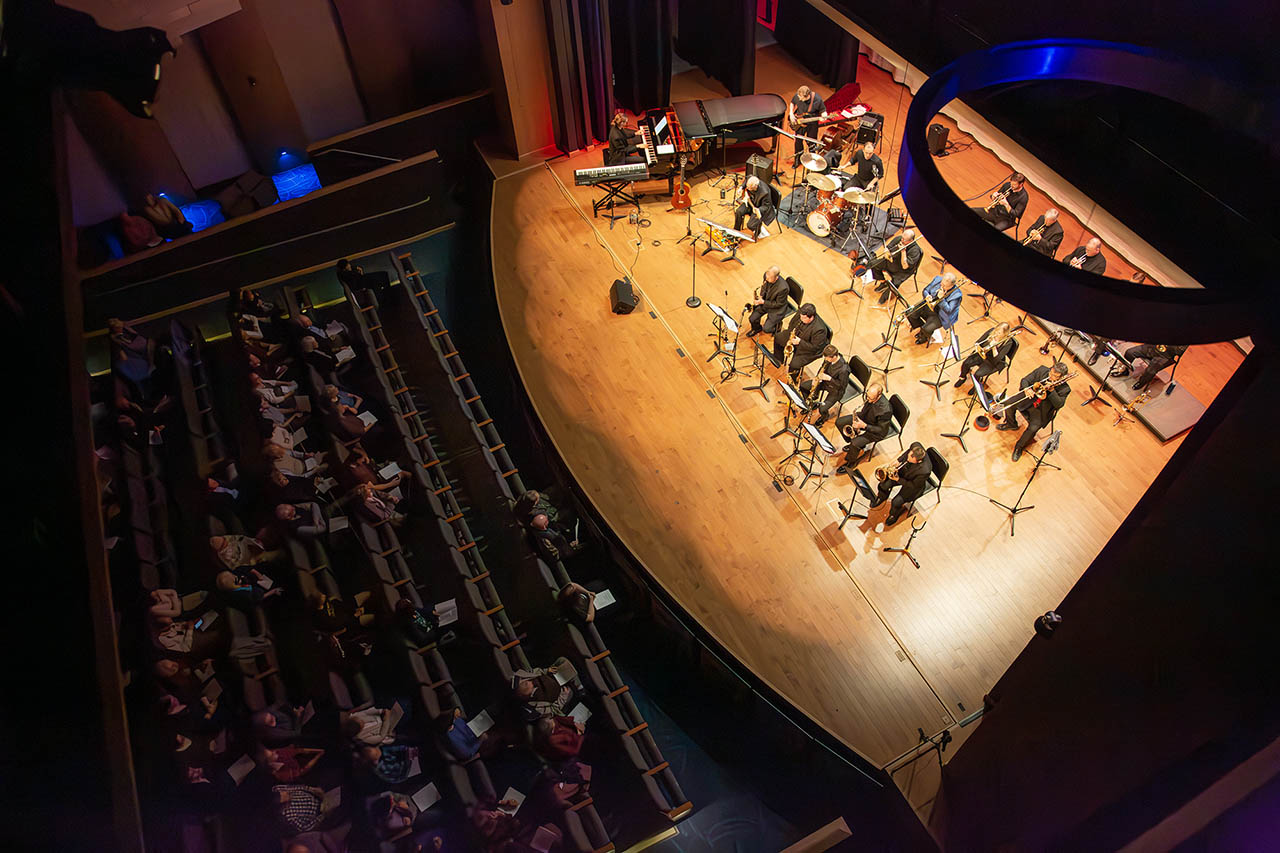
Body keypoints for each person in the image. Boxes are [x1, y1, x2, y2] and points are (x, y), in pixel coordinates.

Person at [998, 361, 1071, 461]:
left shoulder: (1065, 389)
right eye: (1051, 372)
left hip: (1042, 410)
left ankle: (1019, 447)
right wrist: (1027, 389)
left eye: (1055, 376)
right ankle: (1011, 424)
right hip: (1030, 398)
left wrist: (1052, 391)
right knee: (1008, 403)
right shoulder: (1042, 370)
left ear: (1061, 377)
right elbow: (1025, 380)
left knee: (1033, 429)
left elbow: (1059, 404)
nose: (1051, 376)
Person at [871, 442, 933, 527]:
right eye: (909, 455)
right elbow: (907, 454)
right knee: (884, 484)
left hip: (913, 485)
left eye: (911, 459)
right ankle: (882, 496)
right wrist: (899, 460)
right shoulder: (916, 446)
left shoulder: (924, 471)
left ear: (919, 461)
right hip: (904, 473)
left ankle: (894, 515)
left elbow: (913, 485)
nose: (908, 459)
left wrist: (898, 479)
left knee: (896, 501)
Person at [834, 382, 892, 469]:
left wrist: (864, 426)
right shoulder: (870, 397)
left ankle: (851, 462)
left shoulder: (885, 410)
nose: (867, 399)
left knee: (855, 443)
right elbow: (866, 410)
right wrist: (857, 420)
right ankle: (853, 442)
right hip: (865, 417)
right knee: (839, 422)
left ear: (879, 395)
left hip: (876, 431)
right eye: (867, 396)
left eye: (870, 398)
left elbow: (881, 430)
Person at [772, 303, 831, 378]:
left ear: (811, 317)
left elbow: (815, 347)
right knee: (778, 337)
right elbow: (791, 324)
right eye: (801, 317)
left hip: (809, 349)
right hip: (795, 337)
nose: (801, 319)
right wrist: (791, 336)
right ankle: (778, 359)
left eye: (804, 318)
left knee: (794, 364)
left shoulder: (819, 330)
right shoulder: (801, 314)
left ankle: (792, 380)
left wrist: (800, 342)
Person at [797, 345, 850, 427]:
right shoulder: (828, 359)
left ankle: (824, 417)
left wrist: (829, 379)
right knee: (803, 386)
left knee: (822, 409)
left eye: (827, 358)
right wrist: (816, 377)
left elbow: (841, 386)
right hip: (824, 382)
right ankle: (811, 404)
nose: (826, 359)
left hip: (836, 391)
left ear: (834, 357)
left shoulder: (844, 369)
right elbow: (822, 367)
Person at [905, 272, 963, 345]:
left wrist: (941, 299)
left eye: (944, 286)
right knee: (910, 313)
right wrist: (927, 296)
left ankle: (924, 337)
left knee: (927, 328)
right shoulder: (937, 279)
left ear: (951, 286)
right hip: (928, 305)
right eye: (941, 283)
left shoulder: (956, 296)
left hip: (940, 315)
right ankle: (920, 327)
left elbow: (949, 311)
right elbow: (925, 290)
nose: (941, 286)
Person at [955, 322, 1016, 390]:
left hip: (993, 362)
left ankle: (976, 386)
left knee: (977, 374)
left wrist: (994, 347)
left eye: (999, 333)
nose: (996, 334)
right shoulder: (992, 331)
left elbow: (997, 359)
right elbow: (978, 342)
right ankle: (962, 377)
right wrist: (981, 346)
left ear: (1004, 334)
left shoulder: (1008, 342)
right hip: (983, 354)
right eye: (996, 331)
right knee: (966, 363)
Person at [871, 229, 923, 304]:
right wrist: (887, 253)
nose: (901, 240)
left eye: (904, 240)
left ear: (910, 241)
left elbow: (905, 266)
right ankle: (884, 282)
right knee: (874, 264)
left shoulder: (915, 251)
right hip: (892, 261)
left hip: (903, 271)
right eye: (902, 237)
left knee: (895, 283)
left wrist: (903, 251)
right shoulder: (899, 239)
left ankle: (884, 297)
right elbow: (887, 248)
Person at [1113, 344, 1187, 391]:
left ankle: (1141, 383)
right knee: (1130, 352)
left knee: (1150, 371)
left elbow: (1179, 351)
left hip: (1165, 355)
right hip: (1152, 347)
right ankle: (1124, 370)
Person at [787, 85, 827, 167]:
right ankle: (798, 160)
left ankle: (811, 163)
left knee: (811, 144)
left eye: (801, 98)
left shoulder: (817, 100)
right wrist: (791, 113)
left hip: (812, 124)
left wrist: (824, 116)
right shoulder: (798, 94)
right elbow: (792, 103)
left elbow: (823, 111)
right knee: (798, 143)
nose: (799, 99)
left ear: (807, 96)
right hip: (800, 121)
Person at [747, 265, 790, 336]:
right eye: (767, 276)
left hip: (777, 309)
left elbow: (779, 304)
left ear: (776, 278)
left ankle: (777, 327)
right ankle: (757, 328)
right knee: (752, 319)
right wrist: (760, 296)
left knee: (766, 329)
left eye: (769, 278)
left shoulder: (783, 288)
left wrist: (763, 302)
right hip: (765, 302)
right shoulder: (767, 276)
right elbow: (764, 287)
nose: (767, 279)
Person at [732, 175, 774, 241]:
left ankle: (758, 230)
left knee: (750, 225)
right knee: (738, 211)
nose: (747, 188)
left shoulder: (765, 192)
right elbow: (746, 180)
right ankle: (736, 231)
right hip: (750, 203)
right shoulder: (750, 180)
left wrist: (758, 210)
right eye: (747, 186)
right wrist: (741, 188)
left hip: (759, 208)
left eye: (749, 188)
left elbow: (766, 207)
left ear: (756, 186)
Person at [260, 744, 325, 783]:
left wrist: (318, 754)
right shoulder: (285, 753)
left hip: (268, 769)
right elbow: (301, 750)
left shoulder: (291, 770)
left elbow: (305, 768)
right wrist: (318, 754)